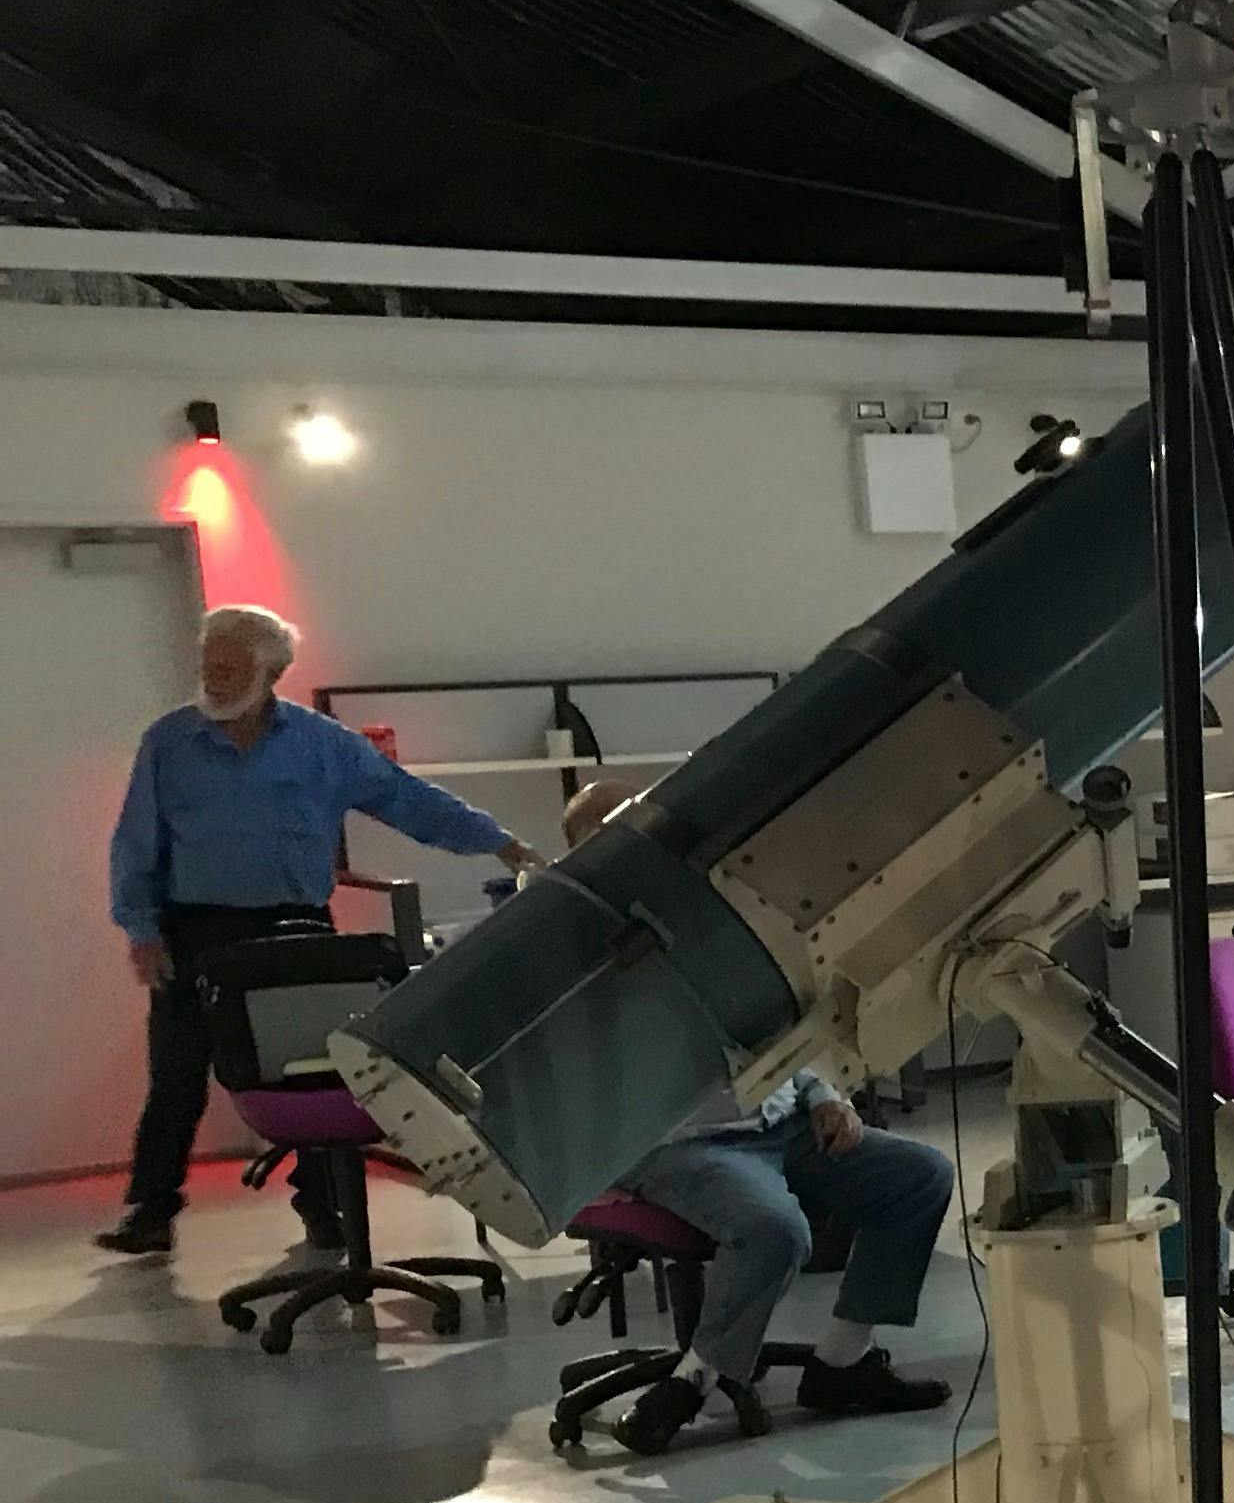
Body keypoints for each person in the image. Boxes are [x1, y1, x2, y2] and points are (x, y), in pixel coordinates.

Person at [99, 606, 538, 1259]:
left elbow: (409, 801)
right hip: (195, 929)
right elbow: (134, 844)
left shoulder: (322, 745)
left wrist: (501, 844)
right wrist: (141, 929)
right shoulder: (168, 743)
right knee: (177, 1074)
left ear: (272, 671)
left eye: (230, 667)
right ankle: (150, 1210)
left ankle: (324, 1210)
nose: (214, 679)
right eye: (207, 666)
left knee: (312, 1072)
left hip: (297, 929)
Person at [556, 783, 959, 1456]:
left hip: (779, 1117)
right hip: (681, 1141)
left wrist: (826, 1094)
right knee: (776, 1229)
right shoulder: (573, 951)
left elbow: (782, 1025)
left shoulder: (719, 917)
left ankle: (840, 1364)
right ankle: (694, 1381)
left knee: (917, 1176)